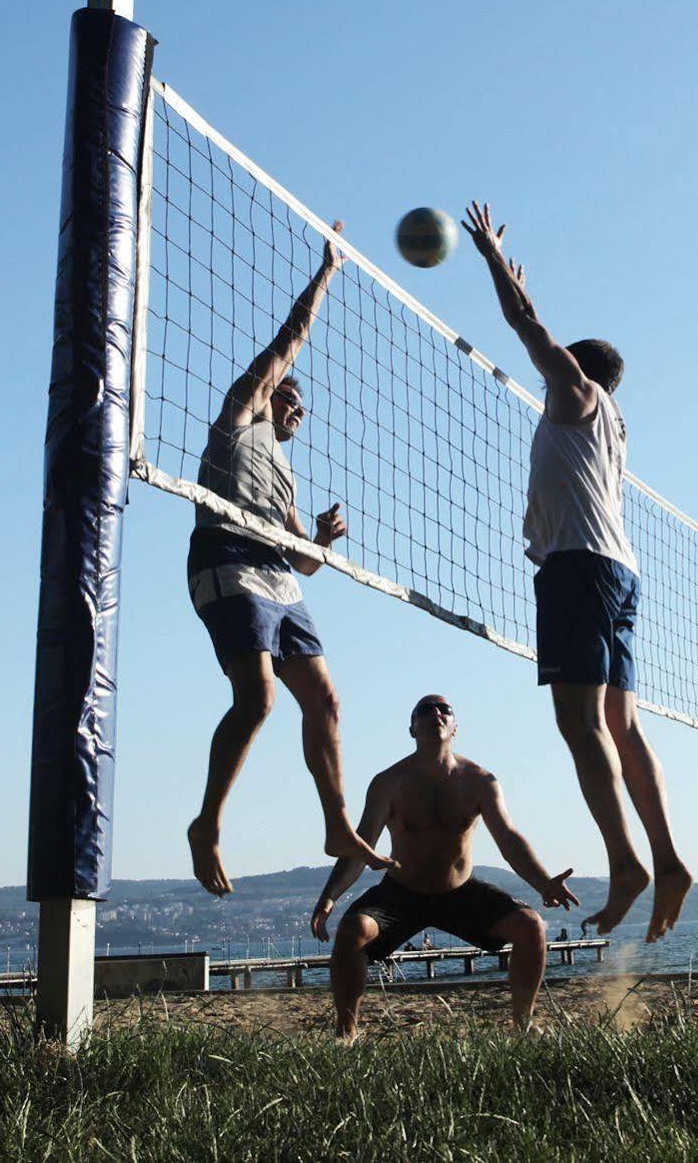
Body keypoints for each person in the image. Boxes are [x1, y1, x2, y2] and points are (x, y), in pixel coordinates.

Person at [460, 201, 692, 942]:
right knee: (622, 723)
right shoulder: (613, 424)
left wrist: (493, 258)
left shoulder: (576, 392)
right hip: (618, 571)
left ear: (578, 369)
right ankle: (666, 856)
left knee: (577, 720)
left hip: (580, 569)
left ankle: (627, 860)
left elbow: (528, 326)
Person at [185, 221, 391, 896]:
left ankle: (335, 822)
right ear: (267, 394)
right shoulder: (239, 418)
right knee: (259, 698)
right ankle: (207, 823)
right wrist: (328, 270)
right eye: (291, 397)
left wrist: (322, 543)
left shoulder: (285, 470)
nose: (298, 408)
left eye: (303, 405)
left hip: (277, 574)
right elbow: (289, 339)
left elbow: (303, 562)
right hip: (226, 558)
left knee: (325, 698)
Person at [310, 693, 579, 1040]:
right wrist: (329, 896)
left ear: (455, 727)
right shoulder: (388, 782)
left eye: (444, 710)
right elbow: (359, 847)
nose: (435, 713)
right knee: (351, 931)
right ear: (411, 728)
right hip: (400, 894)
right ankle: (346, 1035)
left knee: (531, 926)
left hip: (460, 893)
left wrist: (543, 883)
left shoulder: (480, 781)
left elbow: (509, 840)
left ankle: (522, 1026)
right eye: (424, 710)